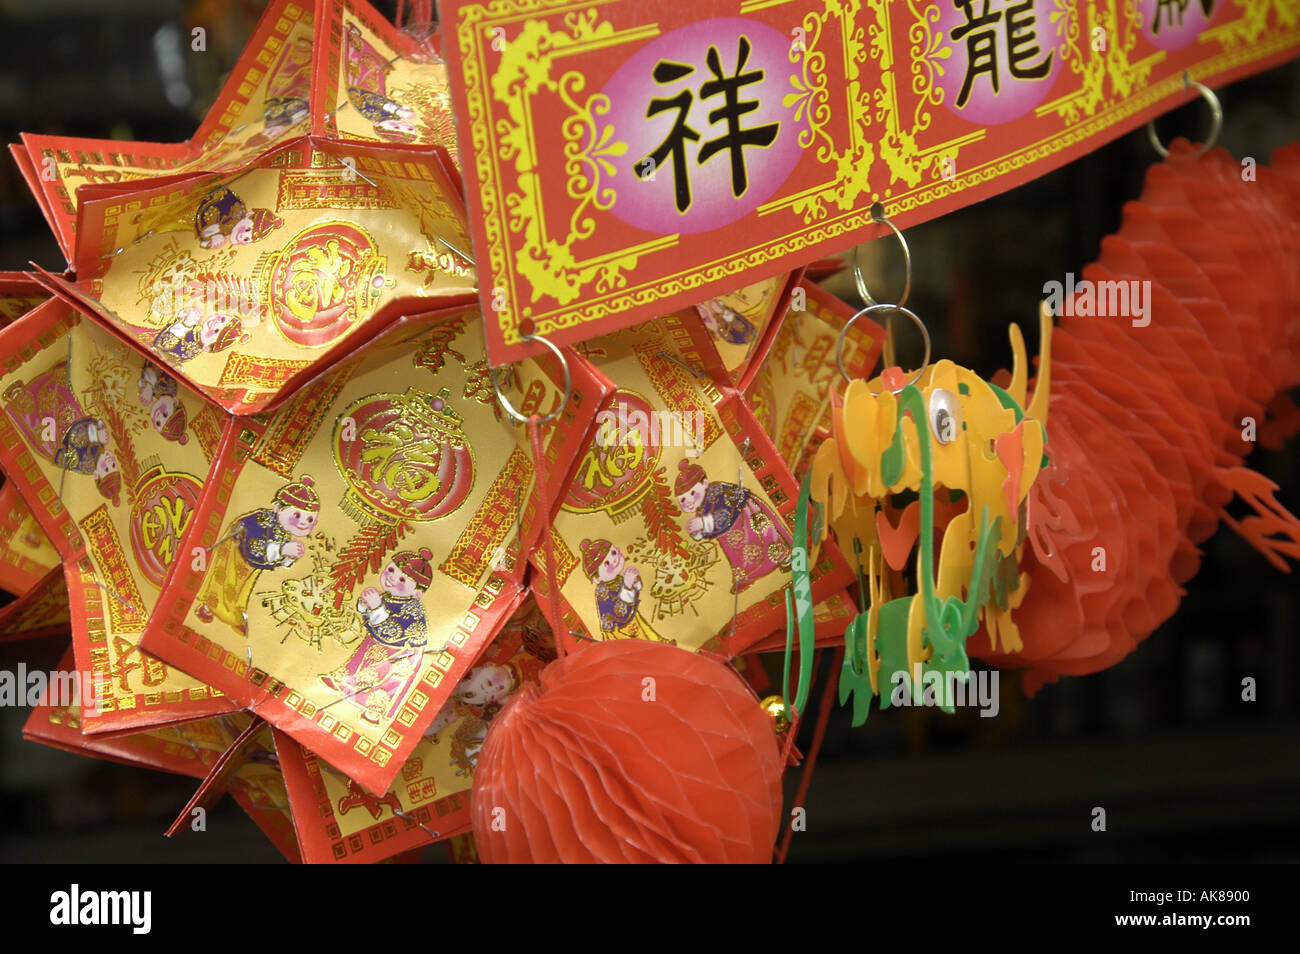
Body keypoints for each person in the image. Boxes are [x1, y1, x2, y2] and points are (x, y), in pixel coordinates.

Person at [319, 548, 439, 726]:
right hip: (377, 643)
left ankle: (374, 711)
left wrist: (377, 609)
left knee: (384, 683)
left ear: (417, 593)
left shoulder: (413, 609)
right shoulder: (390, 597)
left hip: (399, 654)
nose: (391, 578)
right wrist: (365, 605)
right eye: (391, 570)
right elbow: (369, 617)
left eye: (401, 579)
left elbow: (394, 633)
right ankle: (341, 682)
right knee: (357, 664)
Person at [195, 476, 319, 631]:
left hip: (249, 566)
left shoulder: (283, 530)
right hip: (236, 554)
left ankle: (230, 613)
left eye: (309, 520)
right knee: (225, 582)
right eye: (297, 516)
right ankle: (212, 609)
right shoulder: (262, 520)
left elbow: (272, 557)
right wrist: (282, 550)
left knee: (242, 589)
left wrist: (288, 557)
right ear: (278, 509)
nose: (303, 523)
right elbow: (254, 547)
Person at [675, 458, 792, 594]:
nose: (689, 501)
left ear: (705, 483)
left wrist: (703, 523)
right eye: (683, 500)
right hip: (730, 535)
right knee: (739, 556)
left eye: (693, 493)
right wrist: (697, 532)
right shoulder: (700, 510)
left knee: (764, 536)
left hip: (745, 518)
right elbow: (705, 530)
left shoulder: (717, 490)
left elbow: (725, 513)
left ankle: (783, 556)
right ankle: (747, 576)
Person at [579, 538, 673, 644]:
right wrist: (627, 587)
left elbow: (636, 594)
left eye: (614, 553)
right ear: (597, 578)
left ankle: (662, 646)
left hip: (632, 619)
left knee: (648, 635)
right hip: (619, 631)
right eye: (606, 563)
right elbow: (619, 612)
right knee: (638, 647)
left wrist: (635, 583)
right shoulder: (602, 592)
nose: (614, 560)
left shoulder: (618, 579)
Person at [344, 24, 419, 142]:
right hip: (375, 85)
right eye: (409, 129)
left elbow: (372, 99)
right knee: (376, 63)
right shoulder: (391, 116)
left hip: (364, 85)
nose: (404, 126)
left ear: (378, 126)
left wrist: (396, 109)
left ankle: (352, 36)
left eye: (396, 127)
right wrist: (401, 109)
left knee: (365, 59)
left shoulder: (372, 113)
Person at [54, 417, 121, 506]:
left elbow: (64, 457)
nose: (109, 461)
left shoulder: (86, 465)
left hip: (61, 428)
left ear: (96, 475)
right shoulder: (101, 447)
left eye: (106, 469)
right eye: (113, 465)